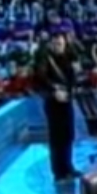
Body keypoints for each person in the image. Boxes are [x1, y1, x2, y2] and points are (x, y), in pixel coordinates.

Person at [33, 32, 80, 182]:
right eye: (56, 43)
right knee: (56, 137)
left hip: (67, 100)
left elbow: (73, 78)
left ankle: (68, 166)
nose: (58, 46)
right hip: (53, 102)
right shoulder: (45, 59)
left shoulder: (68, 57)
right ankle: (58, 172)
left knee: (68, 135)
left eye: (61, 43)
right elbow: (41, 79)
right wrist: (54, 91)